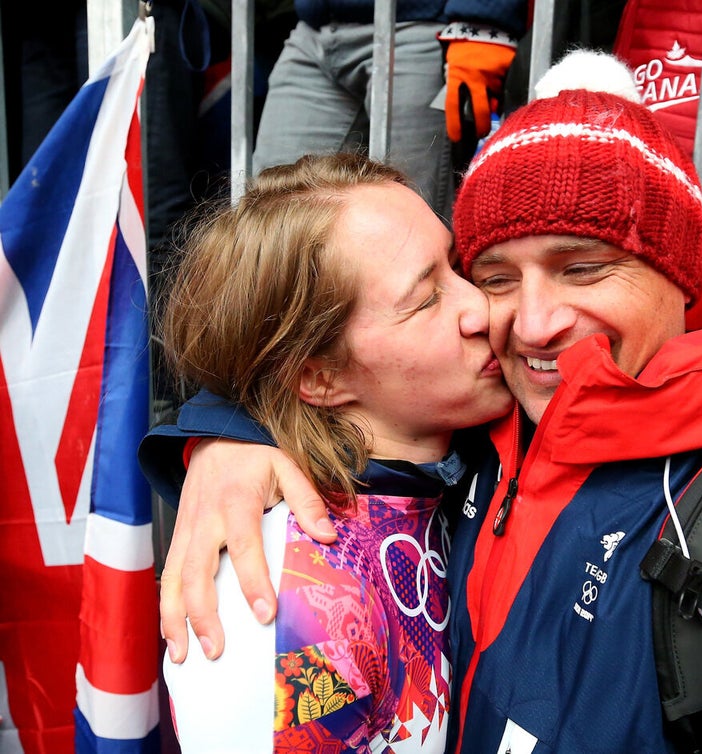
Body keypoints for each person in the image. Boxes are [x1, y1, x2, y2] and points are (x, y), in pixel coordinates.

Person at [143, 51, 702, 752]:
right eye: (490, 276)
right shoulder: (480, 430)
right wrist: (224, 436)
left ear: (680, 273)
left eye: (583, 268)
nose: (521, 323)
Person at [144, 152, 512, 751]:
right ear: (318, 377)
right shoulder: (278, 598)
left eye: (456, 265)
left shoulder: (450, 466)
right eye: (426, 299)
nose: (481, 306)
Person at [250, 0, 527, 218]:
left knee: (415, 216)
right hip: (314, 26)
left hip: (424, 23)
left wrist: (483, 17)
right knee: (269, 214)